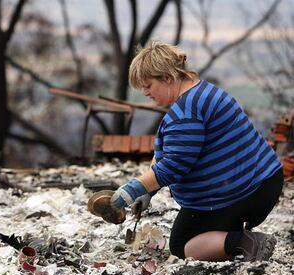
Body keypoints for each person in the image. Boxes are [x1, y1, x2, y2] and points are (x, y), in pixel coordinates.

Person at [109, 39, 283, 262]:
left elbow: (173, 166)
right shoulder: (200, 93)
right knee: (188, 230)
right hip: (262, 180)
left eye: (148, 85)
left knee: (183, 245)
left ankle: (247, 243)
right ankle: (233, 233)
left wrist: (133, 189)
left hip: (244, 191)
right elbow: (170, 152)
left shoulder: (186, 113)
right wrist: (148, 191)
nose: (145, 92)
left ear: (167, 78)